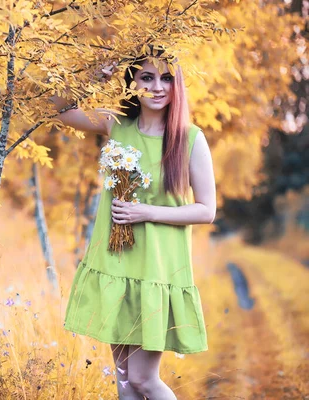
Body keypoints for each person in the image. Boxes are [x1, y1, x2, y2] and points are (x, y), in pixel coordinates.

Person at [50, 51, 216, 400]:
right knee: (125, 384)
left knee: (142, 379)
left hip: (157, 268)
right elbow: (59, 108)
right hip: (117, 263)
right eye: (147, 78)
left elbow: (206, 210)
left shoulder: (190, 139)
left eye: (166, 78)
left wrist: (146, 212)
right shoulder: (116, 124)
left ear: (177, 84)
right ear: (133, 83)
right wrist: (96, 73)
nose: (157, 87)